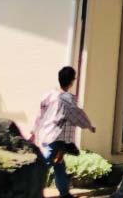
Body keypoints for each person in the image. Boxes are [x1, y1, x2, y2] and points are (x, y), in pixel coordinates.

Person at [29, 65, 95, 198]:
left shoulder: (49, 95)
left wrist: (34, 132)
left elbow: (39, 115)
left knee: (59, 165)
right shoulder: (67, 99)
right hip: (57, 137)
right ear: (71, 82)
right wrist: (89, 126)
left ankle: (65, 193)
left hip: (47, 134)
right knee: (45, 164)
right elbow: (77, 115)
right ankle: (30, 191)